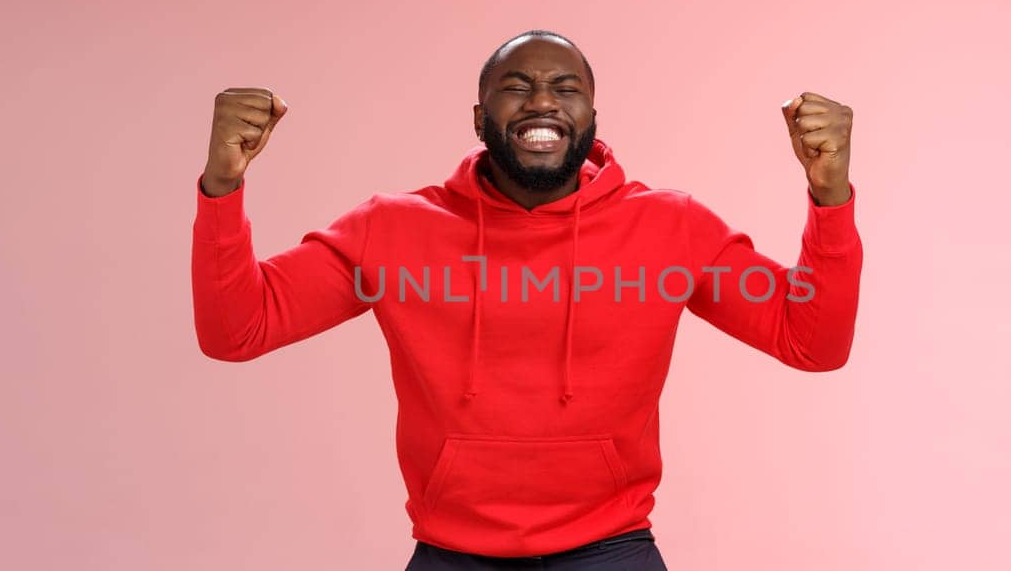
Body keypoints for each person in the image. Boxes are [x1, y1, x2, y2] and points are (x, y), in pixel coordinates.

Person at [191, 29, 863, 570]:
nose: (542, 100)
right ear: (480, 118)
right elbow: (239, 329)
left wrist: (830, 197)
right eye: (516, 87)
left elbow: (809, 342)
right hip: (451, 552)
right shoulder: (391, 229)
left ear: (591, 118)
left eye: (565, 88)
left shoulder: (671, 227)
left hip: (612, 549)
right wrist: (223, 186)